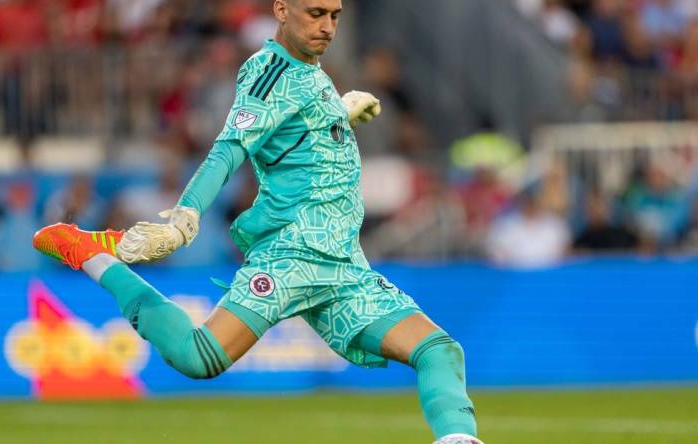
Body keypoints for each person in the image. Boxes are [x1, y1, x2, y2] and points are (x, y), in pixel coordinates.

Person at [32, 1, 481, 443]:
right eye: (315, 13)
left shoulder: (312, 72)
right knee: (197, 357)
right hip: (291, 257)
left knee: (439, 350)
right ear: (282, 10)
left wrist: (338, 114)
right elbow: (231, 147)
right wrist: (184, 218)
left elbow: (292, 139)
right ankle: (93, 256)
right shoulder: (269, 70)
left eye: (335, 16)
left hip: (344, 267)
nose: (327, 26)